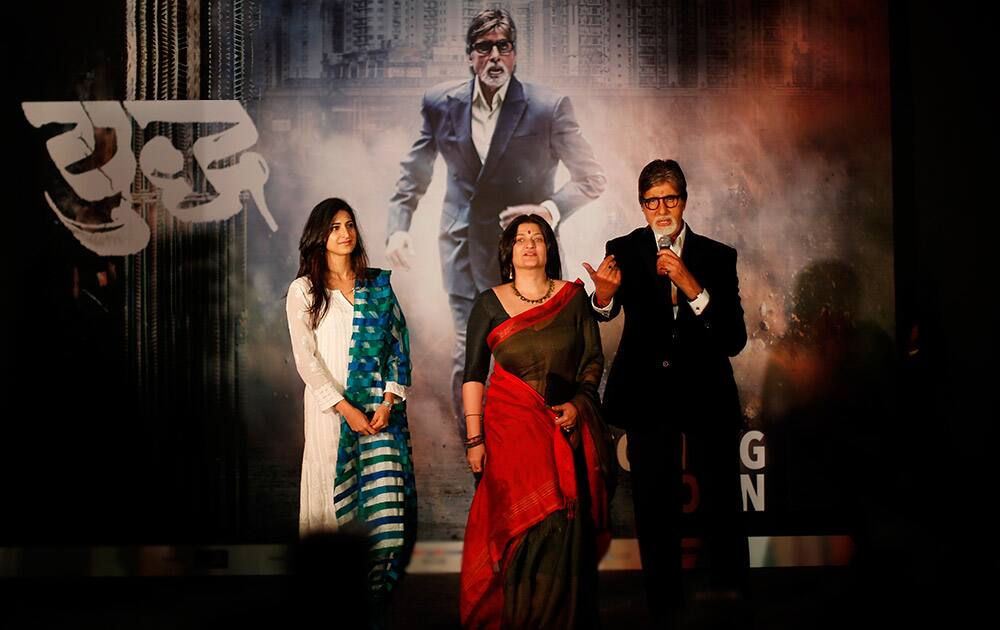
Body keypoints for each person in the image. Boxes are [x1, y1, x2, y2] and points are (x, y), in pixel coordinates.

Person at [387, 7, 606, 430]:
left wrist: (548, 210)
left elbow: (591, 178)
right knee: (467, 351)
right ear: (470, 55)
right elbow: (416, 169)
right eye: (484, 47)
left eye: (503, 47)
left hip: (526, 252)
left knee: (533, 352)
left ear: (515, 54)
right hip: (462, 247)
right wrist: (399, 226)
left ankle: (535, 445)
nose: (494, 57)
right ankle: (476, 445)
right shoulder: (440, 103)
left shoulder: (548, 107)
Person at [584, 159, 749, 619]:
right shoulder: (623, 248)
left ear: (684, 201)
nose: (661, 209)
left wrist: (690, 284)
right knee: (654, 512)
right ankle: (664, 610)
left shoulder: (718, 256)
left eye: (669, 199)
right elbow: (605, 313)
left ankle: (732, 603)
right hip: (647, 397)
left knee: (722, 507)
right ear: (641, 206)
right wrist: (601, 297)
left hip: (706, 394)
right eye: (651, 201)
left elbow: (734, 339)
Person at [460, 214, 614, 629]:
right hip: (510, 436)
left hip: (565, 434)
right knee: (522, 531)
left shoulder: (572, 298)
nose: (530, 243)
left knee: (562, 530)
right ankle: (521, 618)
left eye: (539, 238)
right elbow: (473, 374)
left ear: (550, 249)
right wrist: (474, 440)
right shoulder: (489, 303)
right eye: (521, 238)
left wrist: (579, 405)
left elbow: (592, 361)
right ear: (508, 252)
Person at [285, 198, 416, 618]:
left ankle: (372, 605)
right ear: (319, 236)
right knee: (331, 499)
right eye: (335, 226)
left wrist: (388, 401)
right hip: (331, 418)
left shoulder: (375, 286)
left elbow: (398, 346)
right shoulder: (304, 290)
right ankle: (328, 609)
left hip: (379, 418)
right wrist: (346, 408)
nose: (344, 233)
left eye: (349, 225)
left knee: (383, 517)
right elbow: (307, 361)